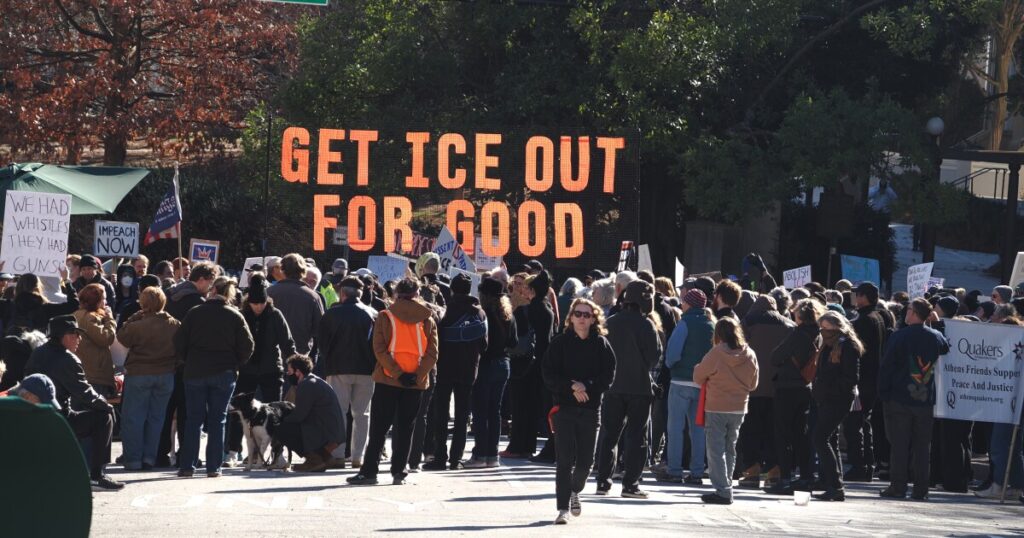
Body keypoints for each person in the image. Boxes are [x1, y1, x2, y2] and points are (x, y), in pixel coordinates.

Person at [347, 277, 439, 486]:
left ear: (396, 293)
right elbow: (432, 353)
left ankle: (369, 470)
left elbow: (379, 349)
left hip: (388, 379)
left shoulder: (386, 316)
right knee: (406, 428)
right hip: (416, 381)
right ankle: (399, 471)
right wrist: (417, 375)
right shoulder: (427, 318)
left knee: (379, 428)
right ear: (417, 294)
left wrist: (397, 373)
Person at [24, 315, 124, 490]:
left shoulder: (38, 353)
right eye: (75, 334)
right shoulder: (68, 359)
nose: (79, 338)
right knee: (105, 416)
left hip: (35, 417)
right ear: (65, 336)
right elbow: (85, 393)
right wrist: (106, 405)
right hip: (59, 420)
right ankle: (97, 475)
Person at [544, 298, 616, 524]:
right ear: (571, 317)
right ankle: (562, 508)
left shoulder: (601, 344)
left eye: (587, 314)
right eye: (578, 314)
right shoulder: (560, 343)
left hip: (590, 410)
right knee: (564, 460)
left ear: (594, 318)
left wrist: (588, 386)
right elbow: (548, 374)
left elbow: (609, 375)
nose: (582, 318)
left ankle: (575, 490)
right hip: (564, 408)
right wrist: (571, 387)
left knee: (586, 462)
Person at [174, 276, 255, 478]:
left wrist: (188, 359)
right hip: (224, 372)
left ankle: (187, 466)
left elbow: (178, 341)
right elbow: (248, 346)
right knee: (218, 420)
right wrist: (235, 362)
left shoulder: (195, 313)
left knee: (193, 420)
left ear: (212, 290)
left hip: (195, 371)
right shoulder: (235, 316)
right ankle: (213, 467)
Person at [596, 280, 661, 498]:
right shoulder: (646, 325)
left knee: (609, 434)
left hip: (612, 387)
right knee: (636, 437)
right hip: (639, 387)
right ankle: (630, 484)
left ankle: (603, 481)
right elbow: (654, 356)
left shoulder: (611, 321)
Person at [879, 298, 949, 501]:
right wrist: (937, 325)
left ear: (914, 313)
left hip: (900, 397)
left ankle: (898, 486)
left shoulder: (900, 336)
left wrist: (883, 392)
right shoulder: (935, 336)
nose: (905, 313)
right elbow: (944, 347)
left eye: (908, 310)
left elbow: (887, 366)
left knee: (900, 445)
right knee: (921, 447)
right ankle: (921, 489)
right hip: (924, 398)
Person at [226, 273, 296, 467]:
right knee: (240, 412)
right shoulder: (242, 314)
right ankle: (233, 451)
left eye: (262, 303)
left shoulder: (275, 315)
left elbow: (287, 342)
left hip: (271, 369)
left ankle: (277, 454)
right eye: (255, 304)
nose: (258, 307)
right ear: (249, 302)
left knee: (274, 415)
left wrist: (293, 363)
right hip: (246, 369)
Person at [693, 317, 759, 505]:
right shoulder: (750, 354)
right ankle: (727, 484)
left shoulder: (716, 353)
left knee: (715, 449)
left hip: (716, 406)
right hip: (739, 408)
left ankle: (722, 489)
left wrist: (698, 368)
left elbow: (699, 377)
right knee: (730, 447)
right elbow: (753, 384)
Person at [157, 262, 218, 467]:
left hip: (166, 359)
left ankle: (160, 453)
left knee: (166, 410)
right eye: (209, 282)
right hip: (187, 362)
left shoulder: (170, 295)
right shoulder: (196, 302)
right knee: (187, 411)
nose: (210, 287)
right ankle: (186, 453)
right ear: (201, 279)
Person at [425, 273, 487, 470]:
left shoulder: (446, 311)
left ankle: (440, 456)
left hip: (445, 368)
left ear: (452, 289)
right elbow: (484, 344)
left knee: (441, 414)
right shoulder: (479, 313)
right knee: (462, 416)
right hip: (469, 370)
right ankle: (456, 458)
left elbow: (436, 340)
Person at [117, 287, 180, 471]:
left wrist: (134, 317)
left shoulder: (137, 326)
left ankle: (133, 459)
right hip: (166, 375)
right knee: (157, 419)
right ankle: (150, 458)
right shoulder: (174, 324)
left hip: (139, 374)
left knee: (133, 418)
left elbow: (122, 336)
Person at [764, 299, 823, 495]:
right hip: (807, 387)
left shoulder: (797, 334)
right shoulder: (820, 334)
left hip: (787, 387)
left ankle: (785, 478)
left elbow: (776, 357)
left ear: (800, 316)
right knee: (802, 434)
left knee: (783, 434)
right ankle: (805, 476)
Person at [319, 276, 378, 468]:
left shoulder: (331, 314)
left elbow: (323, 344)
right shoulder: (373, 314)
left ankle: (337, 454)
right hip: (367, 370)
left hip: (338, 369)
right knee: (362, 414)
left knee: (339, 412)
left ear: (342, 293)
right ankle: (357, 456)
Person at [737, 294, 793, 489]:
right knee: (773, 432)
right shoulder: (788, 324)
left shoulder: (747, 322)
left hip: (751, 387)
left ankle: (751, 472)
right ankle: (774, 472)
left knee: (750, 431)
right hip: (777, 387)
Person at [658, 288, 714, 484]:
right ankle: (697, 472)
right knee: (698, 429)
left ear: (688, 303)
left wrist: (671, 366)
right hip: (702, 383)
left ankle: (675, 470)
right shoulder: (712, 324)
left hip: (680, 380)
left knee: (675, 427)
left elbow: (672, 354)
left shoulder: (684, 323)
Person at [810, 311, 863, 502]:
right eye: (821, 328)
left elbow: (851, 377)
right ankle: (832, 482)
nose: (823, 331)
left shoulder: (847, 346)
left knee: (820, 438)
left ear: (836, 327)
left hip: (838, 399)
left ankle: (836, 485)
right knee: (828, 439)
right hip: (826, 397)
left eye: (826, 328)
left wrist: (829, 389)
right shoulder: (828, 345)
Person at [465, 277, 517, 468]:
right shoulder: (508, 315)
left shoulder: (483, 314)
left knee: (480, 410)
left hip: (485, 364)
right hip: (503, 364)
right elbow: (514, 342)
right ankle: (492, 455)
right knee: (494, 411)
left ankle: (479, 455)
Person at [275, 354, 346, 472]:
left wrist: (280, 420)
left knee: (281, 429)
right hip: (333, 432)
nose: (288, 374)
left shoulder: (306, 385)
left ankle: (314, 460)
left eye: (289, 371)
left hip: (326, 434)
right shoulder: (315, 381)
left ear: (297, 372)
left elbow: (299, 416)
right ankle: (325, 457)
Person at [844, 282, 886, 483]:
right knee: (864, 423)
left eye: (857, 295)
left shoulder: (862, 321)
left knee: (854, 424)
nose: (854, 299)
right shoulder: (878, 317)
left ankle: (858, 465)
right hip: (873, 379)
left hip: (862, 381)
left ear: (864, 297)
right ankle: (868, 464)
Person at [267, 254, 323, 356]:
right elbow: (319, 329)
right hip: (300, 353)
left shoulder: (269, 292)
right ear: (303, 272)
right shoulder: (313, 296)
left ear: (282, 270)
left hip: (272, 351)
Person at [73, 283, 118, 399]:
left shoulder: (76, 315)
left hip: (86, 372)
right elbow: (106, 338)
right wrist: (110, 319)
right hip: (95, 375)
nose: (105, 302)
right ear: (96, 301)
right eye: (103, 299)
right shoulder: (89, 318)